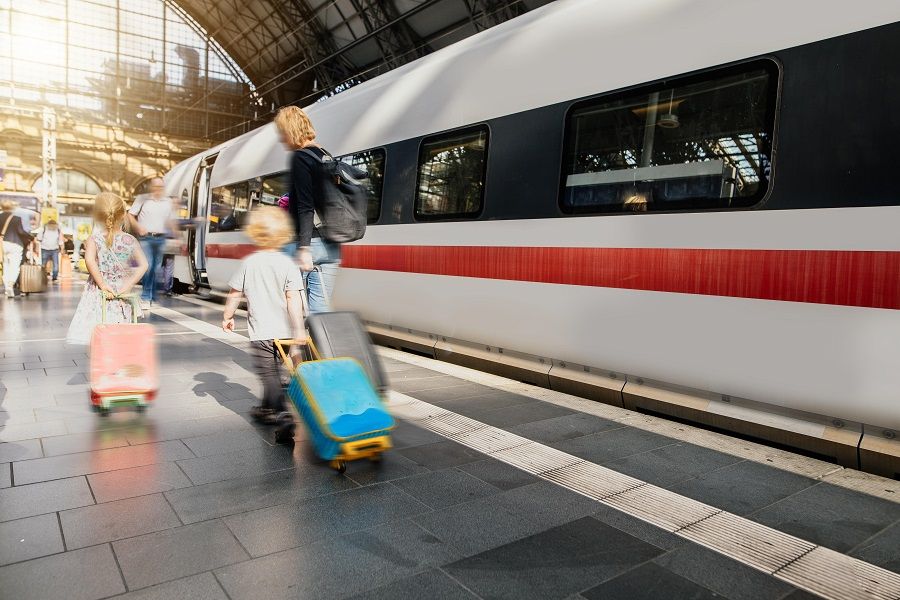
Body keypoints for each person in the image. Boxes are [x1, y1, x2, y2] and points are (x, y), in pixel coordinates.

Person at [222, 207, 304, 424]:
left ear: (255, 232)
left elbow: (235, 293)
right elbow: (293, 300)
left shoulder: (250, 262)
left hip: (262, 332)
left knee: (268, 374)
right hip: (285, 332)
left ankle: (282, 412)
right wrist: (298, 331)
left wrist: (227, 316)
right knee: (275, 373)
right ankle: (266, 408)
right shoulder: (288, 263)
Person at [274, 106, 341, 313]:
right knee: (319, 310)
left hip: (307, 243)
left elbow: (306, 206)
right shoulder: (325, 156)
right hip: (331, 246)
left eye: (281, 133)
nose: (281, 139)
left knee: (284, 298)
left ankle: (293, 343)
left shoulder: (300, 158)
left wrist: (304, 248)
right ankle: (317, 345)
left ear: (289, 131)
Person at [67, 192, 149, 345]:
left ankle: (101, 364)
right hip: (122, 293)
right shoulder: (130, 240)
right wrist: (127, 285)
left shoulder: (94, 239)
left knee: (98, 335)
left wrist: (103, 285)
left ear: (98, 216)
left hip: (99, 294)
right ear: (123, 215)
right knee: (121, 336)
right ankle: (118, 364)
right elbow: (144, 265)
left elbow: (90, 261)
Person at [127, 177, 175, 309]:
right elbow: (130, 215)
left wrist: (177, 235)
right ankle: (146, 297)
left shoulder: (168, 202)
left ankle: (152, 295)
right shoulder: (142, 199)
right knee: (147, 267)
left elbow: (171, 220)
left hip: (161, 238)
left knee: (156, 268)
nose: (159, 190)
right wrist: (138, 227)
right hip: (146, 238)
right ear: (151, 187)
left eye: (161, 187)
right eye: (156, 187)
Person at [0, 199, 35, 299]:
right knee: (15, 265)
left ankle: (7, 286)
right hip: (15, 244)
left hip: (3, 244)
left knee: (6, 265)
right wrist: (31, 237)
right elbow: (21, 231)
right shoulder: (16, 218)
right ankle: (11, 284)